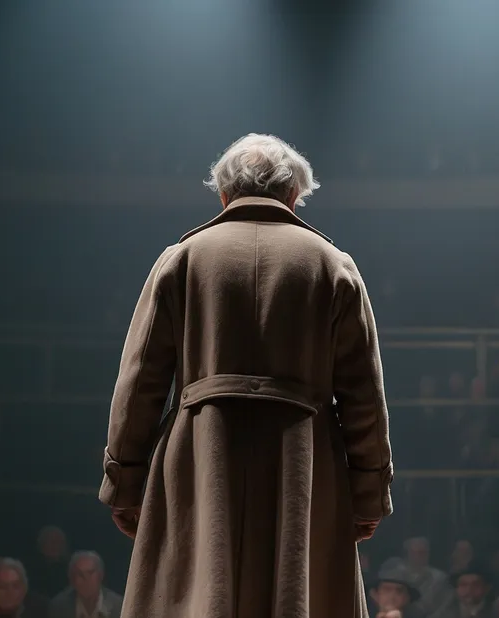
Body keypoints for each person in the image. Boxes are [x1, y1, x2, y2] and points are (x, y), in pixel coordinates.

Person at [99, 133, 393, 618]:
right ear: (294, 195)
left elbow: (140, 384)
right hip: (304, 463)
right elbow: (364, 398)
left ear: (223, 194)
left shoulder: (182, 259)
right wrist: (366, 495)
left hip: (201, 457)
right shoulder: (333, 266)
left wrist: (125, 483)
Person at [48, 551, 123, 618]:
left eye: (90, 573)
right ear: (72, 579)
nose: (86, 579)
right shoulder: (59, 607)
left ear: (101, 575)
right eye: (80, 574)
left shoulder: (119, 606)